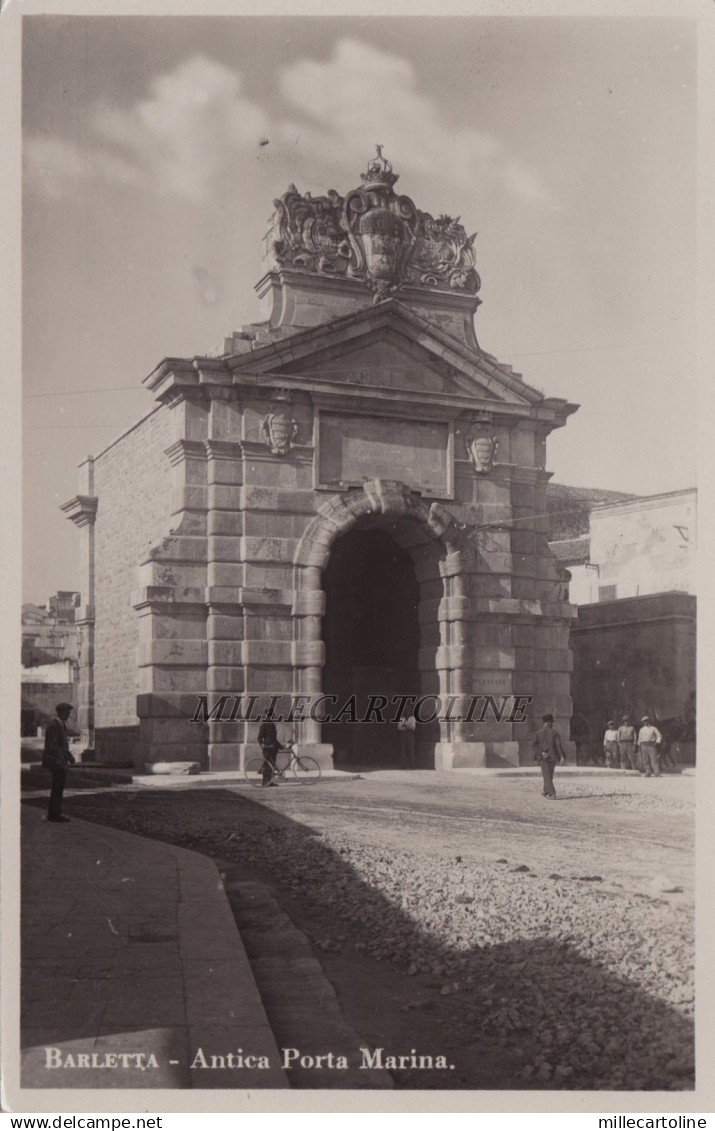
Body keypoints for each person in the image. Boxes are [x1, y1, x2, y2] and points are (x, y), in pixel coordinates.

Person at [42, 702, 76, 822]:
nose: (68, 715)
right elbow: (54, 746)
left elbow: (62, 746)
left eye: (68, 712)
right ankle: (54, 815)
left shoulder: (60, 724)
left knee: (58, 788)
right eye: (66, 712)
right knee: (57, 787)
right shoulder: (54, 725)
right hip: (56, 761)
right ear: (60, 712)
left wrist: (69, 757)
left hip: (59, 760)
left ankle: (55, 814)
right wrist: (62, 760)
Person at [532, 714, 567, 799]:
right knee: (549, 775)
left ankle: (552, 793)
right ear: (548, 722)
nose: (553, 724)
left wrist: (541, 752)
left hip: (543, 757)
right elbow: (558, 745)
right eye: (552, 722)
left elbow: (534, 745)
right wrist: (562, 756)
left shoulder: (537, 733)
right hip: (553, 756)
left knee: (547, 775)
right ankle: (546, 791)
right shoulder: (555, 733)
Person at [257, 720, 281, 787]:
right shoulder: (264, 725)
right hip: (267, 748)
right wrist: (262, 744)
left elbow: (274, 739)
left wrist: (281, 746)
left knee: (272, 766)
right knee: (266, 765)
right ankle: (264, 782)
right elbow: (259, 738)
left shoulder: (273, 725)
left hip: (273, 748)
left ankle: (270, 781)